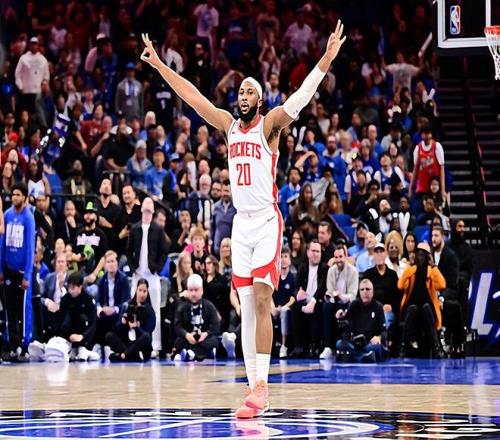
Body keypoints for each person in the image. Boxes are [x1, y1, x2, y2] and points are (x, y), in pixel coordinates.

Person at [140, 21, 345, 417]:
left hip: (266, 221)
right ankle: (253, 388)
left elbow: (301, 98)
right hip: (241, 224)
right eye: (240, 91)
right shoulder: (228, 126)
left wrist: (325, 58)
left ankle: (263, 386)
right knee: (246, 308)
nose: (243, 95)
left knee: (264, 298)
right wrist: (160, 66)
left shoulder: (270, 126)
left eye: (250, 90)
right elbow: (192, 96)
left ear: (260, 99)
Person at [127, 197, 169, 357]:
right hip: (138, 273)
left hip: (152, 274)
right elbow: (128, 250)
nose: (147, 212)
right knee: (133, 307)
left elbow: (164, 251)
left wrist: (157, 268)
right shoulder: (134, 228)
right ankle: (133, 342)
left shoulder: (158, 229)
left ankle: (156, 345)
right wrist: (133, 268)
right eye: (145, 209)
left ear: (152, 212)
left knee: (155, 309)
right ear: (141, 209)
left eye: (150, 210)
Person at [0, 182, 36, 361]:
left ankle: (24, 345)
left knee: (23, 310)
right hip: (8, 269)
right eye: (13, 194)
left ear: (24, 197)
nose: (14, 197)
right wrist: (1, 269)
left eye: (18, 194)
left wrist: (27, 275)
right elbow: (2, 244)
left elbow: (30, 248)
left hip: (22, 272)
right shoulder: (7, 215)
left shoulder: (28, 218)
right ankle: (12, 345)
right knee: (10, 309)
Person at [398, 242, 446, 358]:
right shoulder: (411, 270)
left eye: (423, 254)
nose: (420, 257)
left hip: (427, 309)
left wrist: (434, 266)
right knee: (413, 308)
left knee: (426, 308)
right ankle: (403, 347)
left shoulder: (431, 271)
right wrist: (410, 268)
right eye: (418, 254)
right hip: (412, 307)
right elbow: (400, 285)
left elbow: (442, 285)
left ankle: (436, 347)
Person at [290, 240, 328, 358]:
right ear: (307, 252)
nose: (316, 254)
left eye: (318, 251)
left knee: (318, 308)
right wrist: (298, 294)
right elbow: (297, 287)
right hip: (304, 300)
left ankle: (314, 345)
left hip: (318, 300)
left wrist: (313, 301)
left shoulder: (324, 268)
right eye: (313, 251)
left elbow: (322, 288)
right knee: (295, 307)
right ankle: (298, 346)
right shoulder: (303, 267)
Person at [320, 244, 359, 360]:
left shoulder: (353, 271)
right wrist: (330, 297)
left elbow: (353, 295)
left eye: (340, 257)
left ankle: (345, 346)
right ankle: (328, 347)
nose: (338, 260)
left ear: (345, 257)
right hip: (335, 302)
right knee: (326, 307)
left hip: (348, 303)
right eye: (336, 257)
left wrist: (341, 296)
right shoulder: (331, 271)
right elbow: (330, 290)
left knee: (350, 306)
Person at [335, 279, 386, 363]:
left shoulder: (378, 307)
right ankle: (363, 357)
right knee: (339, 343)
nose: (365, 292)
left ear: (372, 292)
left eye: (367, 289)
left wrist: (378, 337)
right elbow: (343, 325)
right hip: (355, 344)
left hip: (370, 344)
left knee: (376, 347)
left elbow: (384, 332)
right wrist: (340, 318)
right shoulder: (354, 305)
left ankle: (357, 357)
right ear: (359, 292)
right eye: (362, 289)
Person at [173, 274, 221, 361]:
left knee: (214, 341)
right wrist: (186, 335)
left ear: (202, 290)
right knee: (178, 341)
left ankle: (191, 354)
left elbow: (216, 326)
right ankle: (203, 354)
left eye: (196, 290)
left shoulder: (209, 305)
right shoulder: (182, 307)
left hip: (204, 339)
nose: (193, 293)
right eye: (191, 290)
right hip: (188, 339)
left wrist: (205, 334)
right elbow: (177, 327)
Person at [105, 278, 155, 362]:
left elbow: (149, 331)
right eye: (140, 290)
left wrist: (136, 327)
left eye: (144, 291)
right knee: (109, 335)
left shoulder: (149, 310)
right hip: (126, 342)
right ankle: (132, 355)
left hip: (140, 343)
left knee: (146, 337)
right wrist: (123, 323)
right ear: (136, 290)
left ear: (147, 292)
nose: (142, 294)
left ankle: (123, 355)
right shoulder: (126, 305)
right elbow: (117, 329)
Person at [55, 272, 99, 361]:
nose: (70, 291)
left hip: (84, 335)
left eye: (73, 288)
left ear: (80, 287)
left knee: (83, 318)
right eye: (69, 288)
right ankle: (71, 348)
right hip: (69, 335)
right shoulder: (65, 299)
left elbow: (93, 323)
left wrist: (82, 336)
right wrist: (66, 336)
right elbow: (60, 320)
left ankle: (83, 349)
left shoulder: (88, 300)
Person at [95, 250, 130, 349]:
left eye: (113, 261)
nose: (111, 264)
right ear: (105, 265)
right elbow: (98, 301)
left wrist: (114, 309)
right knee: (95, 313)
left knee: (124, 308)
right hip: (106, 311)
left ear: (117, 263)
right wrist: (100, 309)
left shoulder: (123, 279)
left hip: (118, 311)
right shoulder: (102, 280)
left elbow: (126, 300)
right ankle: (98, 345)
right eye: (108, 262)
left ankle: (116, 344)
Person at [272, 247, 296, 358]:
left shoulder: (293, 277)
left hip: (287, 308)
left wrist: (283, 307)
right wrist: (273, 308)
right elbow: (269, 295)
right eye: (281, 257)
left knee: (284, 312)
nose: (283, 259)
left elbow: (293, 298)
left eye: (286, 256)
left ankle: (284, 345)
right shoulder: (274, 277)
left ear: (290, 260)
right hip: (275, 307)